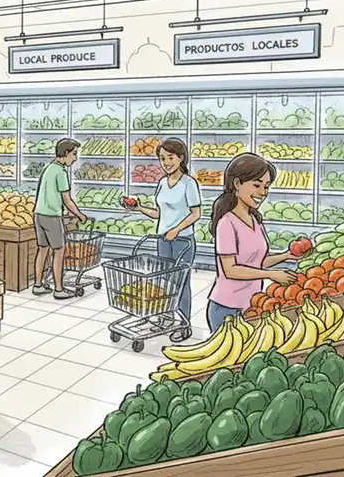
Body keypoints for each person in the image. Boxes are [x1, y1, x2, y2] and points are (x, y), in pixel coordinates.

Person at [207, 153, 299, 330]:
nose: (263, 193)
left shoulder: (255, 220)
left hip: (252, 305)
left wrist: (286, 256)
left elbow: (256, 262)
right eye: (256, 185)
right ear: (236, 184)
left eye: (266, 186)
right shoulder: (227, 223)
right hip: (227, 308)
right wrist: (271, 275)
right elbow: (230, 269)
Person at [122, 137, 201, 340]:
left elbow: (195, 213)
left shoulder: (189, 183)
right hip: (163, 240)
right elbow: (159, 213)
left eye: (170, 157)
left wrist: (176, 229)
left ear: (181, 158)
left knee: (181, 282)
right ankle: (166, 318)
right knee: (164, 282)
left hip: (183, 241)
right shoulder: (162, 183)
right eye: (162, 158)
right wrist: (138, 208)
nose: (166, 162)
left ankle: (184, 324)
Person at [32, 138, 88, 300]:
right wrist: (80, 215)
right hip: (52, 217)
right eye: (74, 154)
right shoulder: (61, 172)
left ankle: (38, 285)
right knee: (59, 251)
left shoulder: (49, 168)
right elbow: (67, 200)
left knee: (42, 249)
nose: (75, 158)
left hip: (39, 215)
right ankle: (59, 289)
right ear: (65, 153)